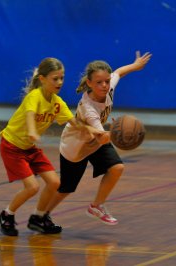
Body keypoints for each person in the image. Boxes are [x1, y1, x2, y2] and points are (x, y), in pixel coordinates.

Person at [0, 57, 100, 236]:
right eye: (55, 78)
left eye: (62, 78)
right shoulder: (34, 96)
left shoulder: (57, 103)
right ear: (42, 79)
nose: (60, 82)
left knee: (54, 183)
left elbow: (74, 122)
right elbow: (30, 115)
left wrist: (91, 130)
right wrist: (32, 131)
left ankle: (38, 218)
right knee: (32, 187)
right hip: (12, 146)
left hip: (29, 148)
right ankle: (6, 215)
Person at [45, 51, 152, 226]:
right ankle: (42, 214)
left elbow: (118, 72)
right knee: (67, 188)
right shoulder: (89, 108)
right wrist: (119, 132)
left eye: (106, 81)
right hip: (75, 147)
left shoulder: (108, 87)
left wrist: (135, 66)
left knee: (116, 167)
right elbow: (102, 137)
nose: (104, 85)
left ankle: (96, 206)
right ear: (89, 83)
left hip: (93, 140)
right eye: (99, 82)